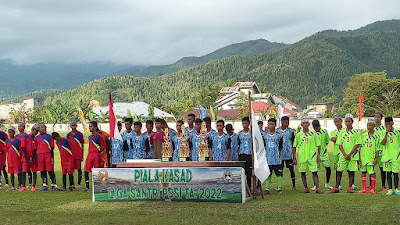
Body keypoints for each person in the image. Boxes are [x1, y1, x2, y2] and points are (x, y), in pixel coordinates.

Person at [331, 114, 361, 194]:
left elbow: (357, 144)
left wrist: (349, 154)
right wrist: (344, 154)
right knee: (339, 170)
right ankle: (336, 187)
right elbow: (339, 144)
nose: (347, 123)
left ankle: (350, 187)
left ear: (352, 122)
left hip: (353, 155)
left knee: (351, 171)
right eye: (346, 121)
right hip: (343, 155)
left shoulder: (356, 132)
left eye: (349, 121)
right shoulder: (342, 132)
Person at [293, 118, 323, 194]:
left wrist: (318, 156)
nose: (305, 124)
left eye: (307, 123)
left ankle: (317, 188)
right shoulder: (299, 135)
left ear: (309, 124)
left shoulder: (313, 134)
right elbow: (294, 146)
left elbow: (318, 145)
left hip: (312, 156)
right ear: (301, 125)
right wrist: (294, 157)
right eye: (304, 123)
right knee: (303, 172)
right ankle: (306, 188)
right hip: (302, 157)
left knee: (314, 172)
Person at [83, 121, 106, 192]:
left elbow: (103, 147)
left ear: (95, 127)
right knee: (86, 170)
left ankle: (98, 186)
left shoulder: (99, 137)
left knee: (97, 171)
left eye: (91, 126)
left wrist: (99, 153)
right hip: (90, 154)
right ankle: (87, 187)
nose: (90, 128)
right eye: (89, 126)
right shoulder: (89, 137)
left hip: (97, 154)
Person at [358, 119, 380, 194]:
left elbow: (378, 148)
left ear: (374, 126)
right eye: (367, 125)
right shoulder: (363, 135)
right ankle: (364, 188)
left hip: (371, 158)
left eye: (370, 125)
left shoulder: (377, 136)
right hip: (364, 157)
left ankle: (373, 188)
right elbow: (360, 148)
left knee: (372, 173)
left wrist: (376, 158)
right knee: (363, 172)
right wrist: (359, 157)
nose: (368, 127)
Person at [263, 118, 283, 195]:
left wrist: (277, 153)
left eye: (272, 124)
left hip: (276, 158)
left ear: (275, 125)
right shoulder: (265, 135)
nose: (270, 126)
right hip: (268, 158)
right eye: (269, 124)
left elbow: (280, 146)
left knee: (278, 173)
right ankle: (267, 188)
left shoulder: (278, 135)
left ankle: (279, 188)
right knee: (268, 173)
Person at [34, 123, 57, 192]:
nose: (43, 128)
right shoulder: (36, 138)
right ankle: (45, 185)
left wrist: (52, 157)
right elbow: (35, 148)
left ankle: (53, 184)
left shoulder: (49, 137)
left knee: (50, 170)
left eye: (44, 127)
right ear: (38, 129)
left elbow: (52, 147)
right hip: (40, 155)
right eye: (41, 127)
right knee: (42, 170)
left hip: (48, 155)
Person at [311, 120, 333, 190]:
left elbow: (327, 142)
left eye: (317, 127)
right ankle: (315, 185)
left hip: (324, 154)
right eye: (315, 128)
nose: (316, 129)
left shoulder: (324, 132)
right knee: (314, 170)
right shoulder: (311, 133)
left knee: (328, 168)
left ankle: (327, 183)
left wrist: (323, 150)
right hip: (314, 154)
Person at [381, 117, 400, 196]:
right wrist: (386, 133)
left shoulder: (397, 132)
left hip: (395, 156)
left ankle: (396, 188)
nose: (388, 125)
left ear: (392, 123)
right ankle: (390, 189)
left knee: (395, 173)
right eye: (386, 124)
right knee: (388, 173)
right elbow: (383, 143)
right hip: (386, 156)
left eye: (389, 123)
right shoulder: (383, 132)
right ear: (385, 124)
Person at [276, 116, 296, 190]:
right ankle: (279, 186)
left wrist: (294, 156)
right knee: (279, 170)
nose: (287, 123)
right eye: (286, 122)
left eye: (288, 122)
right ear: (282, 122)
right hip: (280, 155)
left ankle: (294, 185)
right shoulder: (277, 131)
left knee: (291, 170)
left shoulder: (290, 131)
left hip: (288, 154)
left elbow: (293, 143)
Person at [66, 120, 85, 188]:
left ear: (76, 126)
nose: (73, 127)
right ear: (70, 126)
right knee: (71, 169)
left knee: (79, 169)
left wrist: (82, 154)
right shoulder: (68, 135)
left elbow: (82, 144)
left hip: (78, 154)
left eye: (75, 125)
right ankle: (72, 184)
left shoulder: (80, 134)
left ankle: (78, 184)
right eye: (72, 125)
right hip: (71, 155)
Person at [20, 125, 39, 192]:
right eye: (36, 132)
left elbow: (35, 149)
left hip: (33, 157)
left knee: (34, 171)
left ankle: (33, 186)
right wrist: (27, 158)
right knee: (24, 171)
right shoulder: (25, 137)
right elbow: (23, 148)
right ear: (32, 130)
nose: (36, 133)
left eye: (37, 132)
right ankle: (24, 186)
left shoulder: (35, 139)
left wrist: (32, 157)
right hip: (26, 158)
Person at [330, 114, 345, 190]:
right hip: (336, 152)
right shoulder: (334, 131)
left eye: (337, 121)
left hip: (344, 152)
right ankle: (338, 184)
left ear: (341, 121)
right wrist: (341, 138)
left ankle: (351, 184)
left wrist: (338, 138)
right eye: (335, 121)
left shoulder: (345, 130)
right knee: (337, 169)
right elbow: (332, 139)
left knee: (349, 169)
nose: (336, 123)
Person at [5, 126, 22, 190]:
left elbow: (20, 151)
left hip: (16, 159)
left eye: (11, 132)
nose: (10, 134)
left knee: (18, 173)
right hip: (10, 159)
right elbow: (6, 151)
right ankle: (12, 185)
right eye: (9, 132)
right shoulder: (7, 141)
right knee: (11, 173)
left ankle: (19, 185)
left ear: (14, 133)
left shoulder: (18, 141)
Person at [238, 117, 253, 190]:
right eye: (243, 123)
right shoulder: (239, 134)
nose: (244, 125)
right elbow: (238, 144)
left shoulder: (252, 133)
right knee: (242, 171)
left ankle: (249, 187)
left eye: (246, 123)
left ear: (249, 124)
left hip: (249, 154)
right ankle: (242, 187)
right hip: (242, 154)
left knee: (249, 172)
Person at [374, 112, 387, 191]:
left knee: (382, 169)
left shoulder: (384, 128)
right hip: (374, 151)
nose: (376, 118)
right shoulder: (372, 127)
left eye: (378, 117)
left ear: (381, 118)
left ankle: (383, 185)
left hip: (382, 151)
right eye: (375, 117)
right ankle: (371, 185)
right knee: (372, 169)